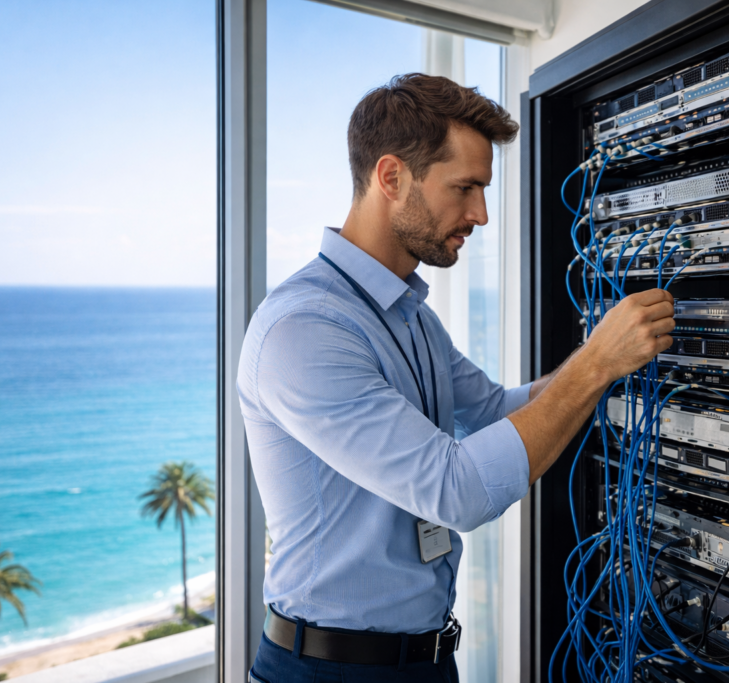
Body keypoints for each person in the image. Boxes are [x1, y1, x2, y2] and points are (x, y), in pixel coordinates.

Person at [237, 73, 675, 683]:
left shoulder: (411, 317)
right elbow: (457, 490)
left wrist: (606, 360)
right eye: (465, 188)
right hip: (327, 670)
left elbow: (496, 410)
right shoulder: (304, 330)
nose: (482, 214)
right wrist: (598, 361)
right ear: (391, 178)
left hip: (428, 661)